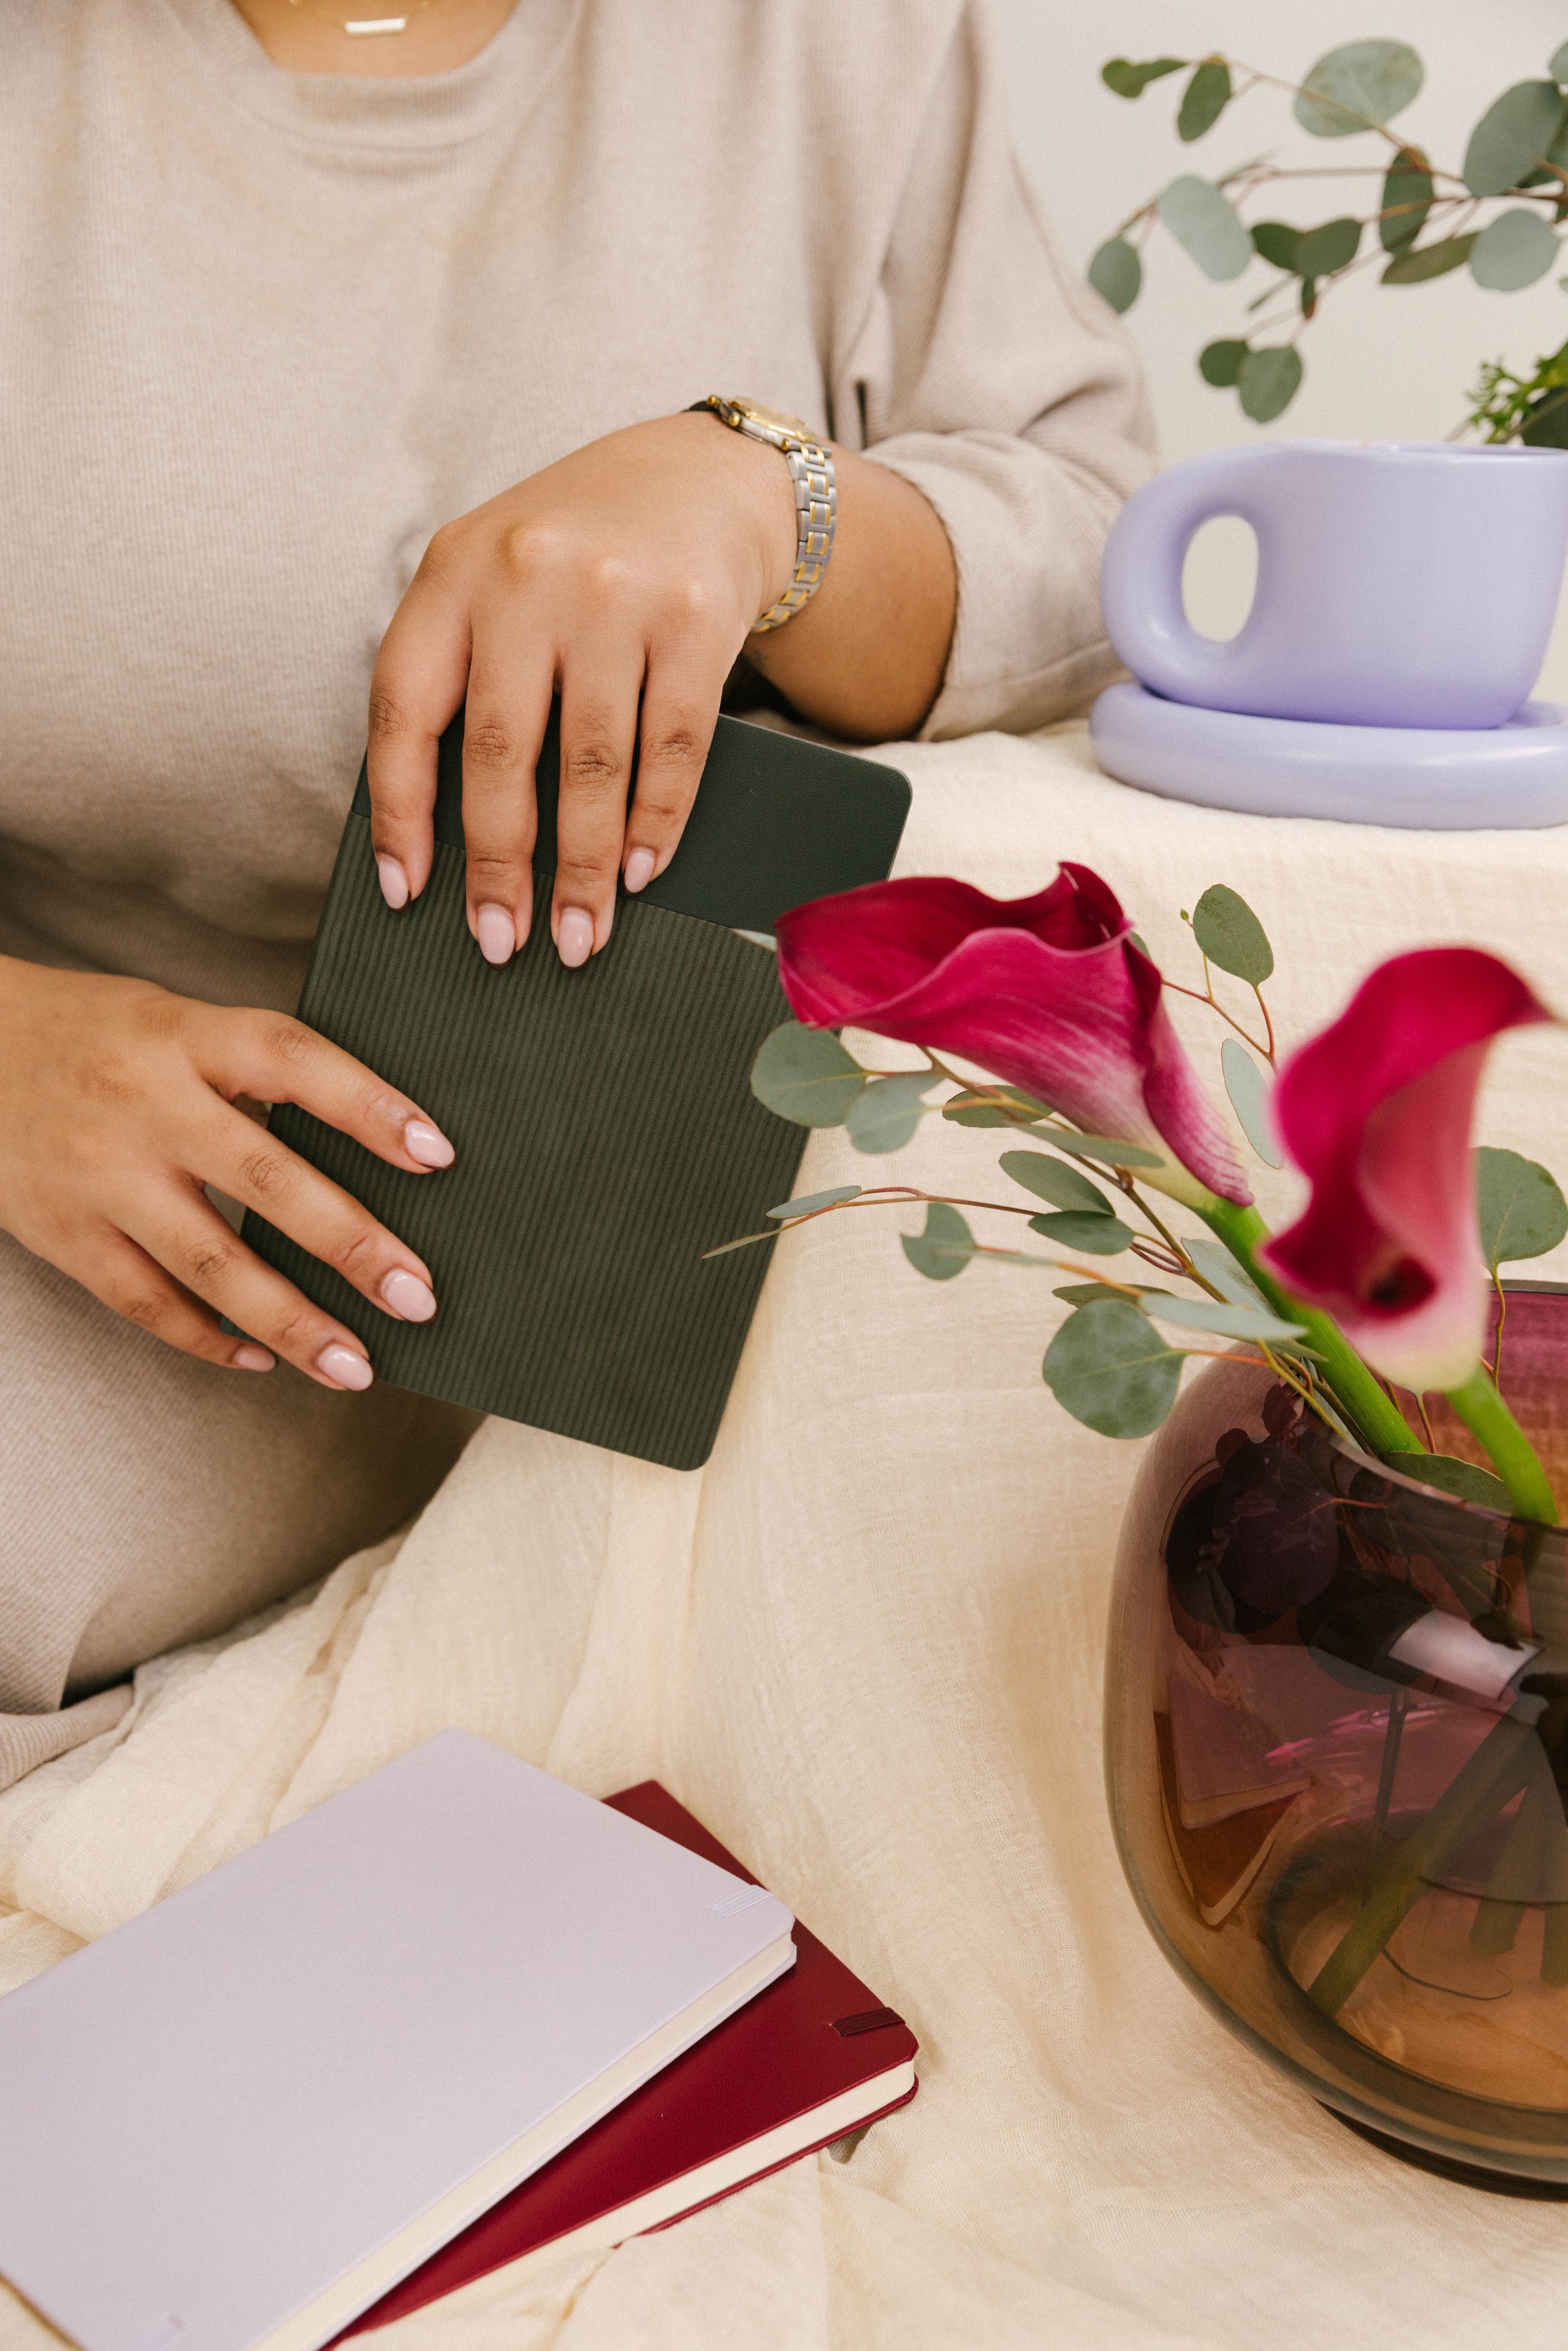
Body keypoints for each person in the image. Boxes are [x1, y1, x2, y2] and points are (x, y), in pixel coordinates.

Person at [0, 0, 1153, 1781]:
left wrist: (766, 492)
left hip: (633, 1248)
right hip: (77, 1203)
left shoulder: (842, 49)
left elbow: (1102, 551)